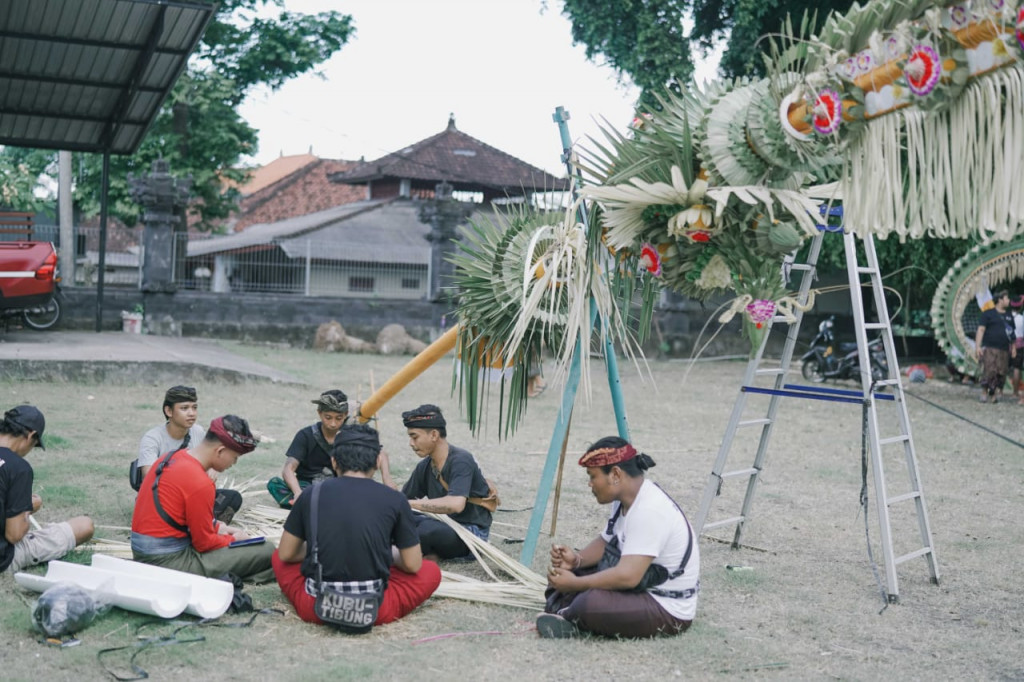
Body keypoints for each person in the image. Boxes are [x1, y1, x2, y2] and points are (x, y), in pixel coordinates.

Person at [273, 424, 441, 628]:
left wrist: (322, 546)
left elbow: (286, 555)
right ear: (378, 461)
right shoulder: (395, 499)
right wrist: (382, 551)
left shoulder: (311, 494)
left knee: (277, 557)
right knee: (430, 571)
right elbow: (413, 564)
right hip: (375, 609)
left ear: (334, 461)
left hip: (316, 607)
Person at [538, 436, 700, 639]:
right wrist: (576, 560)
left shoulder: (650, 510)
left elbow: (627, 576)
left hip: (665, 607)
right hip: (638, 588)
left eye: (592, 476)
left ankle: (569, 616)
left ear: (615, 474)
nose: (590, 484)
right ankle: (572, 613)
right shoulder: (624, 499)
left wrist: (574, 584)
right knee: (564, 578)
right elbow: (606, 541)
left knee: (590, 603)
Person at [131, 414, 273, 582]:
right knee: (267, 549)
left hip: (142, 552)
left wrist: (217, 527)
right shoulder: (201, 482)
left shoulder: (170, 457)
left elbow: (181, 515)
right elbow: (204, 544)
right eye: (234, 457)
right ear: (220, 451)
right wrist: (233, 539)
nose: (233, 463)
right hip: (166, 561)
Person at [1, 405, 94, 574]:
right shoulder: (18, 468)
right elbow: (13, 535)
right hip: (4, 558)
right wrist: (26, 508)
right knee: (84, 525)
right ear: (31, 435)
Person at [400, 404, 495, 560]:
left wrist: (409, 505)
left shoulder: (461, 460)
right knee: (399, 519)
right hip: (443, 524)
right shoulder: (425, 466)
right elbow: (401, 501)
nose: (411, 443)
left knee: (426, 530)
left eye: (414, 436)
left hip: (470, 533)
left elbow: (455, 505)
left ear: (434, 435)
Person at [267, 390, 393, 508]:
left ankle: (313, 505)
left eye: (338, 418)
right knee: (275, 485)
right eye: (328, 417)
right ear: (319, 413)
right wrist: (297, 492)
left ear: (345, 415)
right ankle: (322, 503)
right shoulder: (305, 435)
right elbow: (288, 469)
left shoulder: (352, 433)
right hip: (309, 486)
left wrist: (387, 480)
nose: (333, 423)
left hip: (342, 485)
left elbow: (381, 453)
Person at [134, 385, 241, 523]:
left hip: (191, 496)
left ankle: (198, 524)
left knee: (233, 498)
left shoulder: (198, 432)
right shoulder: (152, 438)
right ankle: (202, 524)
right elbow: (150, 477)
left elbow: (212, 459)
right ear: (169, 411)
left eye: (194, 407)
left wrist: (213, 469)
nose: (192, 413)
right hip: (163, 499)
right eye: (184, 408)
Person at [975, 290, 1016, 403]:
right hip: (990, 347)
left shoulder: (1009, 316)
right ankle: (984, 392)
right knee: (989, 370)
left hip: (1004, 349)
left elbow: (1012, 333)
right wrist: (978, 346)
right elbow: (981, 330)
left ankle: (993, 394)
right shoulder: (988, 314)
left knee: (1001, 372)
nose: (1008, 301)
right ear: (1000, 300)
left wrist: (1013, 348)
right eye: (1007, 298)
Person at [1011, 296, 1024, 401]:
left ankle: (999, 390)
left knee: (1003, 367)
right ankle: (1015, 392)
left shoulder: (1007, 316)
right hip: (1019, 345)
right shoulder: (1021, 319)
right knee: (1017, 368)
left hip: (1007, 344)